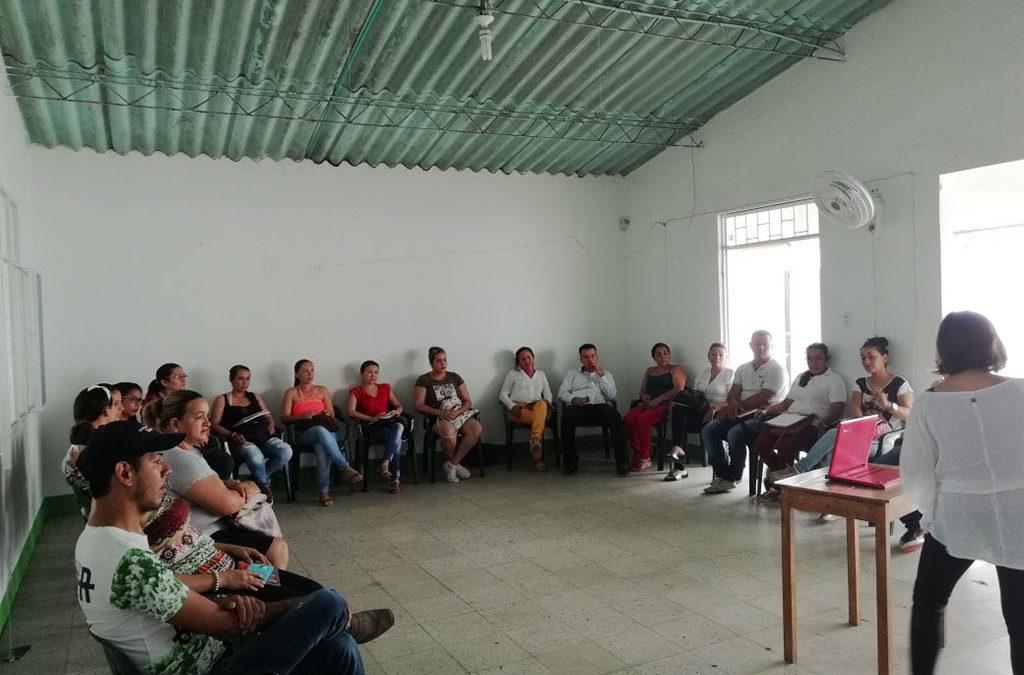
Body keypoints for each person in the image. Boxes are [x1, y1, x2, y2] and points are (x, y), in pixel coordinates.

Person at [73, 421, 394, 675]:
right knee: (329, 603)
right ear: (125, 473)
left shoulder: (96, 539)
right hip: (215, 666)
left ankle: (338, 624)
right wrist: (301, 606)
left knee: (340, 646)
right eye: (157, 462)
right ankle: (340, 617)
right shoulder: (128, 559)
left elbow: (163, 591)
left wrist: (225, 595)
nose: (167, 470)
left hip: (212, 641)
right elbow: (228, 624)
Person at [901, 311, 1024, 674]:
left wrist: (931, 513)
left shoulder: (929, 402)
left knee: (928, 603)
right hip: (1019, 514)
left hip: (956, 516)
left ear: (944, 348)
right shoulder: (1020, 390)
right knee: (1020, 620)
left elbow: (917, 474)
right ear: (991, 343)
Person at [770, 337, 919, 540]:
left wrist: (888, 405)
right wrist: (861, 428)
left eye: (871, 357)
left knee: (834, 440)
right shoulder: (861, 383)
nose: (866, 361)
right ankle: (829, 501)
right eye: (863, 357)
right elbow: (856, 412)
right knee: (836, 443)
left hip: (883, 441)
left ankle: (805, 476)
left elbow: (910, 415)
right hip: (861, 437)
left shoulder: (899, 384)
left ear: (885, 358)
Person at [144, 390, 290, 568]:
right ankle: (270, 584)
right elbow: (227, 504)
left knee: (269, 541)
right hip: (200, 537)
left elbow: (199, 485)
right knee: (276, 549)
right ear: (175, 424)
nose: (208, 423)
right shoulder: (178, 456)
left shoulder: (184, 449)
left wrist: (227, 483)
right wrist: (252, 487)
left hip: (213, 528)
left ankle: (268, 581)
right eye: (199, 417)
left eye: (207, 416)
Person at [753, 343, 847, 503]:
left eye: (818, 358)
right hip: (789, 419)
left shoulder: (834, 379)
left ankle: (779, 489)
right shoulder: (801, 377)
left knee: (786, 445)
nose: (813, 363)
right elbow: (785, 404)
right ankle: (779, 476)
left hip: (811, 424)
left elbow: (837, 409)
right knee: (761, 443)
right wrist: (766, 411)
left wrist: (823, 421)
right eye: (810, 358)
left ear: (827, 359)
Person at [701, 330, 788, 494]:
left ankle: (734, 475)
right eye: (757, 343)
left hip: (765, 415)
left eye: (765, 344)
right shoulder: (743, 368)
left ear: (772, 346)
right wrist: (732, 403)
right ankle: (724, 476)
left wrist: (735, 407)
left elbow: (765, 396)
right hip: (741, 412)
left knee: (735, 433)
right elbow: (734, 392)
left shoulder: (777, 369)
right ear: (751, 345)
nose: (761, 347)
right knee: (709, 430)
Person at [281, 359, 362, 507]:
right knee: (319, 431)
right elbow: (284, 417)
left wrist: (327, 413)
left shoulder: (322, 390)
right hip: (303, 433)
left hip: (326, 430)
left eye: (312, 370)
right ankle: (345, 467)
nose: (310, 374)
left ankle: (324, 492)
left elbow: (331, 413)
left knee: (321, 446)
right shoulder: (291, 393)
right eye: (305, 371)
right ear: (297, 374)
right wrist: (301, 416)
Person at [211, 365, 293, 503]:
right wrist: (232, 434)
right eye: (240, 379)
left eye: (248, 379)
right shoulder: (222, 399)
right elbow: (214, 425)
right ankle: (264, 487)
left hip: (263, 435)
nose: (245, 383)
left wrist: (271, 423)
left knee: (286, 451)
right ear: (231, 380)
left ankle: (256, 482)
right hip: (241, 440)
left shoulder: (254, 396)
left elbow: (267, 415)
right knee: (255, 455)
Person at [664, 343, 734, 482]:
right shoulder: (704, 372)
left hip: (718, 413)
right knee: (678, 412)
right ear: (708, 356)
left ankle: (678, 458)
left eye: (721, 355)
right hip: (699, 411)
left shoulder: (730, 374)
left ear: (726, 357)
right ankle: (679, 458)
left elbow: (733, 400)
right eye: (713, 354)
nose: (717, 357)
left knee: (680, 422)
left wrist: (714, 408)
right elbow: (695, 395)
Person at [558, 343, 629, 477]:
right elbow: (561, 393)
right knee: (566, 417)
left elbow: (612, 395)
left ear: (597, 357)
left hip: (599, 406)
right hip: (578, 407)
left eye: (593, 356)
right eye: (586, 357)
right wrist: (573, 399)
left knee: (615, 417)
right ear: (581, 359)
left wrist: (601, 375)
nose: (590, 360)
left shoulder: (606, 374)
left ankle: (622, 462)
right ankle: (570, 462)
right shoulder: (572, 374)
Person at [414, 347, 483, 483]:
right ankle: (455, 466)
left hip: (459, 414)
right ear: (431, 363)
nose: (443, 363)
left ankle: (452, 465)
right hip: (438, 418)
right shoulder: (424, 380)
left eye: (444, 360)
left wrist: (458, 411)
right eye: (438, 361)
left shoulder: (454, 377)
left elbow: (467, 401)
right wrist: (441, 413)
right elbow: (418, 405)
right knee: (448, 431)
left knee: (476, 428)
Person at [623, 343, 687, 472]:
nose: (662, 357)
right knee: (628, 419)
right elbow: (642, 391)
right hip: (649, 403)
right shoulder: (650, 371)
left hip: (666, 405)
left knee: (643, 419)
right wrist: (645, 397)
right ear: (654, 357)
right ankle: (637, 452)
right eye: (658, 354)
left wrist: (658, 400)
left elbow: (679, 389)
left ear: (669, 355)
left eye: (665, 353)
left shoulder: (675, 369)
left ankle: (645, 457)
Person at [347, 360, 405, 494]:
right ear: (362, 374)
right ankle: (395, 478)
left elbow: (399, 406)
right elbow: (350, 412)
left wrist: (396, 412)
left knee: (398, 427)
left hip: (388, 423)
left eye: (376, 372)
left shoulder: (385, 388)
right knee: (397, 439)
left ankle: (386, 462)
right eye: (369, 372)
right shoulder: (356, 391)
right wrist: (372, 418)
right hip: (371, 427)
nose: (373, 375)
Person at [62, 384, 124, 508]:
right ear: (106, 410)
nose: (122, 408)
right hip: (109, 512)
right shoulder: (99, 447)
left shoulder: (79, 444)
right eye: (116, 404)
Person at [498, 347, 554, 472]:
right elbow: (502, 395)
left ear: (534, 358)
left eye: (529, 357)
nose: (527, 361)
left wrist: (547, 402)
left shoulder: (541, 374)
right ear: (518, 361)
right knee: (539, 419)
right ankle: (537, 454)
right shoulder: (513, 374)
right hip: (518, 409)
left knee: (542, 404)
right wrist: (512, 406)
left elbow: (548, 394)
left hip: (537, 408)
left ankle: (535, 441)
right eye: (523, 359)